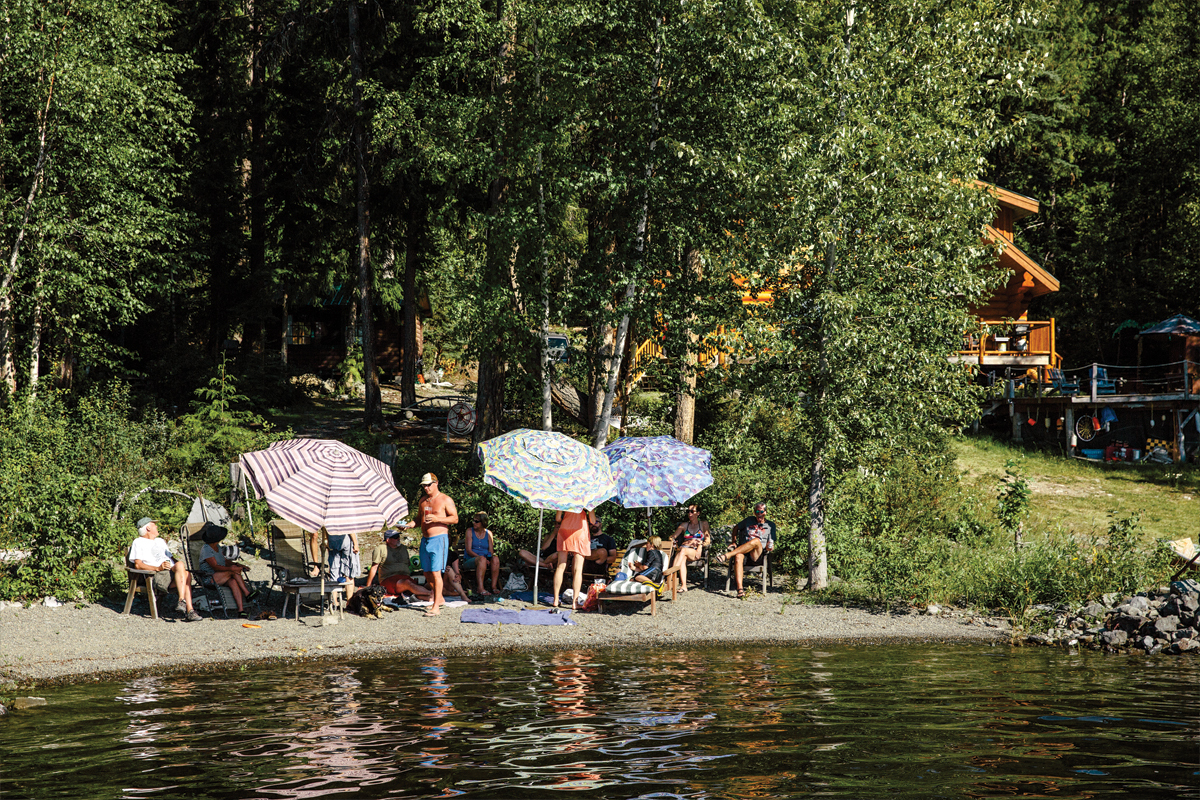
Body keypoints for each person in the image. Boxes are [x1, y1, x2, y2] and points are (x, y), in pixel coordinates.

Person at [129, 518, 202, 622]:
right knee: (186, 575)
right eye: (154, 525)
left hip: (171, 572)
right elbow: (138, 565)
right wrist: (158, 568)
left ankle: (183, 602)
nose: (157, 526)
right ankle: (189, 609)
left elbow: (172, 559)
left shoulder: (160, 541)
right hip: (158, 575)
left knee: (184, 569)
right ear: (148, 528)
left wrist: (180, 569)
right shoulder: (139, 542)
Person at [412, 472, 458, 616]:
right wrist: (408, 525)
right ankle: (440, 598)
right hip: (425, 540)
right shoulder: (423, 501)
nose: (426, 488)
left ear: (436, 483)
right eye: (424, 486)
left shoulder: (445, 499)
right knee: (426, 572)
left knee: (436, 573)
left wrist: (437, 519)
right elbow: (418, 520)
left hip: (439, 539)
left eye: (428, 485)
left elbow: (455, 519)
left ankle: (436, 606)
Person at [716, 502, 776, 598]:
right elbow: (735, 528)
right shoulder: (749, 520)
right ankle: (740, 589)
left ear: (765, 512)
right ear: (754, 512)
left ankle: (727, 555)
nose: (759, 514)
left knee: (756, 541)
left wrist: (770, 547)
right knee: (738, 556)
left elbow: (771, 542)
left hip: (758, 555)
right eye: (757, 512)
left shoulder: (770, 525)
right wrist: (734, 542)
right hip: (744, 552)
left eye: (761, 512)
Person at [366, 528, 431, 600]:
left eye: (398, 536)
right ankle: (431, 594)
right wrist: (368, 587)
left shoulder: (403, 548)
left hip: (405, 577)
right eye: (395, 537)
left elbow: (408, 564)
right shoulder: (381, 549)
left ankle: (430, 597)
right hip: (389, 579)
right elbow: (374, 568)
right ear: (388, 540)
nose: (398, 538)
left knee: (423, 585)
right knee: (408, 584)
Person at [199, 535, 255, 617]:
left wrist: (237, 564)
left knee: (233, 581)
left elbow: (225, 561)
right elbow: (215, 566)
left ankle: (241, 610)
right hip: (209, 577)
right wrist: (231, 568)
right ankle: (247, 593)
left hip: (221, 576)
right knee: (232, 571)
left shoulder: (217, 547)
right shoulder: (206, 549)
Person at [552, 508, 596, 610]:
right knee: (578, 569)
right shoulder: (587, 501)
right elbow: (593, 521)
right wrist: (590, 510)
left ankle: (555, 600)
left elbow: (558, 518)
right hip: (580, 531)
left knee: (560, 566)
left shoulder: (564, 500)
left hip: (564, 530)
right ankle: (575, 603)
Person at [671, 504, 711, 593]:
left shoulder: (703, 524)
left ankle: (670, 575)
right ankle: (684, 586)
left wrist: (701, 544)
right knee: (682, 556)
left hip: (694, 551)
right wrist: (673, 541)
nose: (690, 513)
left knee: (683, 551)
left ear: (698, 513)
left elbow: (708, 540)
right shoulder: (684, 525)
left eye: (692, 511)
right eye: (688, 511)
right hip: (683, 550)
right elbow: (672, 536)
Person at [464, 512, 500, 596]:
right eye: (473, 521)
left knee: (495, 559)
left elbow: (491, 551)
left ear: (483, 522)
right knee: (482, 559)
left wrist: (489, 558)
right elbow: (469, 550)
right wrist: (481, 558)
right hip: (471, 559)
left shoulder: (489, 533)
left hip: (485, 559)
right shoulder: (469, 531)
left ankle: (493, 586)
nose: (474, 523)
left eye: (476, 521)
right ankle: (480, 588)